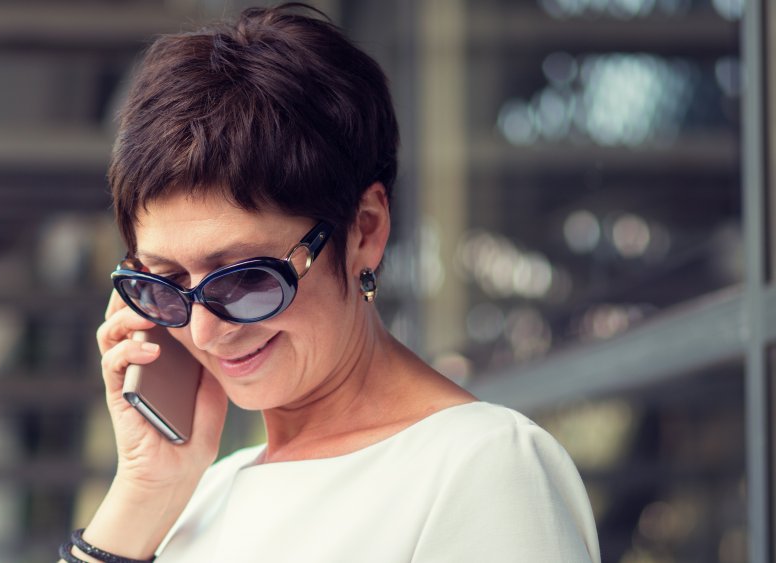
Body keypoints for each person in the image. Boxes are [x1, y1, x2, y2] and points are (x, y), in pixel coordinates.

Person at [59, 4, 601, 562]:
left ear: (365, 229)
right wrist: (147, 492)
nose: (203, 331)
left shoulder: (484, 467)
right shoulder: (207, 492)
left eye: (247, 279)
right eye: (166, 282)